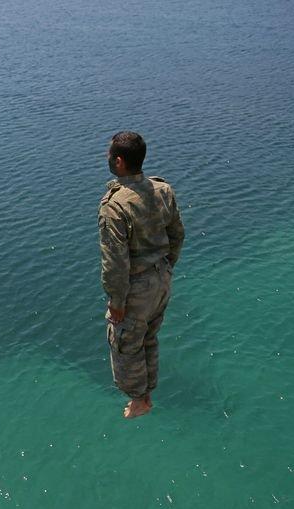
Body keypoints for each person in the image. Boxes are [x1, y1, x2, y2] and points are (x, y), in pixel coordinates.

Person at [98, 131, 185, 419]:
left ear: (119, 162)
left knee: (125, 344)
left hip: (135, 288)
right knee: (148, 337)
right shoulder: (163, 190)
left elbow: (115, 261)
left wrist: (117, 300)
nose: (107, 158)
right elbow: (177, 234)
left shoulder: (115, 206)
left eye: (110, 155)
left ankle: (139, 399)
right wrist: (166, 266)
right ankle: (146, 393)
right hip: (161, 279)